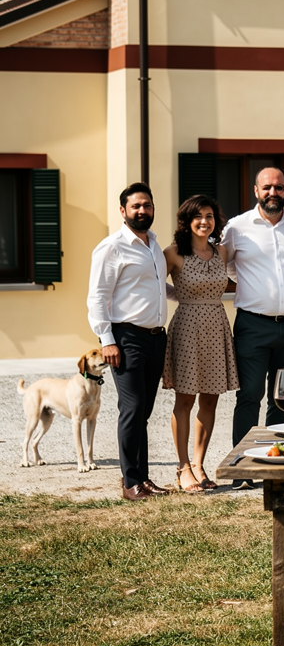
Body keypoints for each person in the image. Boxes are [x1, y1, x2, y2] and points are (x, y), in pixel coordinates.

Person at [222, 167, 284, 490]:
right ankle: (243, 468)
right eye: (267, 187)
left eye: (279, 187)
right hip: (253, 326)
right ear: (256, 191)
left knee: (283, 397)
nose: (273, 192)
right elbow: (228, 265)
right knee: (250, 396)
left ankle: (276, 463)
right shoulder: (237, 228)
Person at [86, 183, 170, 501]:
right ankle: (129, 482)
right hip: (126, 338)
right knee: (132, 409)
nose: (142, 211)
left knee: (143, 412)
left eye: (147, 205)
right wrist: (107, 340)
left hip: (155, 338)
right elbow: (97, 298)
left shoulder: (153, 246)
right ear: (123, 211)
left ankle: (143, 479)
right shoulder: (112, 247)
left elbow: (159, 289)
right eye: (135, 206)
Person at [162, 195, 238, 492]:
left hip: (217, 325)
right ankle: (182, 468)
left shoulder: (221, 252)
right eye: (198, 216)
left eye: (209, 216)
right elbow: (155, 286)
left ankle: (198, 464)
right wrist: (181, 296)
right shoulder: (173, 253)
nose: (204, 221)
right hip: (187, 327)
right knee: (185, 399)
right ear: (187, 221)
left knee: (210, 398)